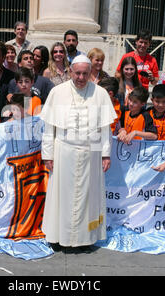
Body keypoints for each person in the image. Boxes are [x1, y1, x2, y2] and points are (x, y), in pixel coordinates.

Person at [39, 55, 117, 251]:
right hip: (63, 152)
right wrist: (47, 155)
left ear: (90, 73)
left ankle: (85, 239)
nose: (81, 77)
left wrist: (105, 154)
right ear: (71, 72)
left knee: (88, 198)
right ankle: (59, 236)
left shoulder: (100, 94)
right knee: (62, 197)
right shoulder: (57, 92)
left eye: (85, 73)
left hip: (92, 152)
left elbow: (104, 129)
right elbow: (49, 129)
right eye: (77, 73)